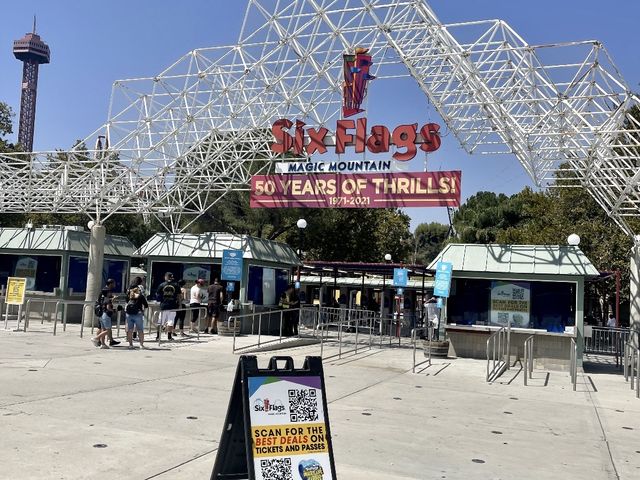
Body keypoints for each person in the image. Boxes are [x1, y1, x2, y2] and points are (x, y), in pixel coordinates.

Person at [91, 278, 120, 348]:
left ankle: (103, 344)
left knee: (103, 329)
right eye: (113, 283)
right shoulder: (106, 295)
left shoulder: (104, 294)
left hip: (101, 313)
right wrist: (114, 310)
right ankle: (96, 339)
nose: (111, 294)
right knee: (107, 330)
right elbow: (108, 308)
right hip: (105, 314)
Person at [156, 272, 179, 341]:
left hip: (163, 305)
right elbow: (179, 296)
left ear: (166, 277)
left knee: (160, 321)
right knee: (171, 321)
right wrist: (180, 304)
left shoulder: (161, 285)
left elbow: (157, 295)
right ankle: (169, 337)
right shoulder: (176, 285)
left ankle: (158, 336)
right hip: (173, 305)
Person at [125, 284, 148, 349]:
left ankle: (130, 344)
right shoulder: (140, 296)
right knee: (140, 330)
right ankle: (141, 344)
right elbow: (146, 305)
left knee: (130, 329)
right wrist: (142, 311)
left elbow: (127, 303)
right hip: (138, 314)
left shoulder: (128, 296)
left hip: (129, 314)